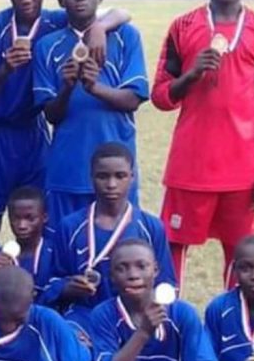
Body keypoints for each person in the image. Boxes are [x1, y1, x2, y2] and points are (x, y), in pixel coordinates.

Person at [0, 0, 129, 265]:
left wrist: (99, 27)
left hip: (35, 133)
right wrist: (5, 68)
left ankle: (35, 277)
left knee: (37, 215)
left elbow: (122, 12)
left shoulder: (57, 21)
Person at [151, 0, 254, 290]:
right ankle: (170, 325)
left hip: (240, 171)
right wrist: (191, 76)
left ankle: (237, 330)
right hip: (190, 167)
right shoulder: (183, 27)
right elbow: (161, 96)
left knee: (242, 256)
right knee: (172, 248)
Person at [33, 0, 148, 231]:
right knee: (66, 245)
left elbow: (133, 99)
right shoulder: (47, 47)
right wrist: (68, 86)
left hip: (116, 171)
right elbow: (51, 115)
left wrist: (95, 88)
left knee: (121, 247)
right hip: (68, 169)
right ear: (61, 0)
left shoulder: (125, 37)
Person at [49, 142, 175, 339]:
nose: (111, 184)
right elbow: (52, 281)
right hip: (85, 316)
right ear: (91, 178)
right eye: (103, 176)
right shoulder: (70, 226)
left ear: (132, 178)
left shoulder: (151, 227)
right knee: (71, 344)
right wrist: (68, 288)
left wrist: (149, 315)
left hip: (137, 317)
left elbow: (166, 284)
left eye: (120, 176)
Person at [89, 238, 219, 361]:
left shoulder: (182, 313)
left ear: (155, 270)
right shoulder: (103, 315)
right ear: (111, 275)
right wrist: (143, 332)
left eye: (142, 266)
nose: (133, 275)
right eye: (122, 268)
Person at [0, 187, 56, 303]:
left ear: (44, 218)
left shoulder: (55, 253)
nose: (22, 225)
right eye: (16, 218)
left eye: (30, 218)